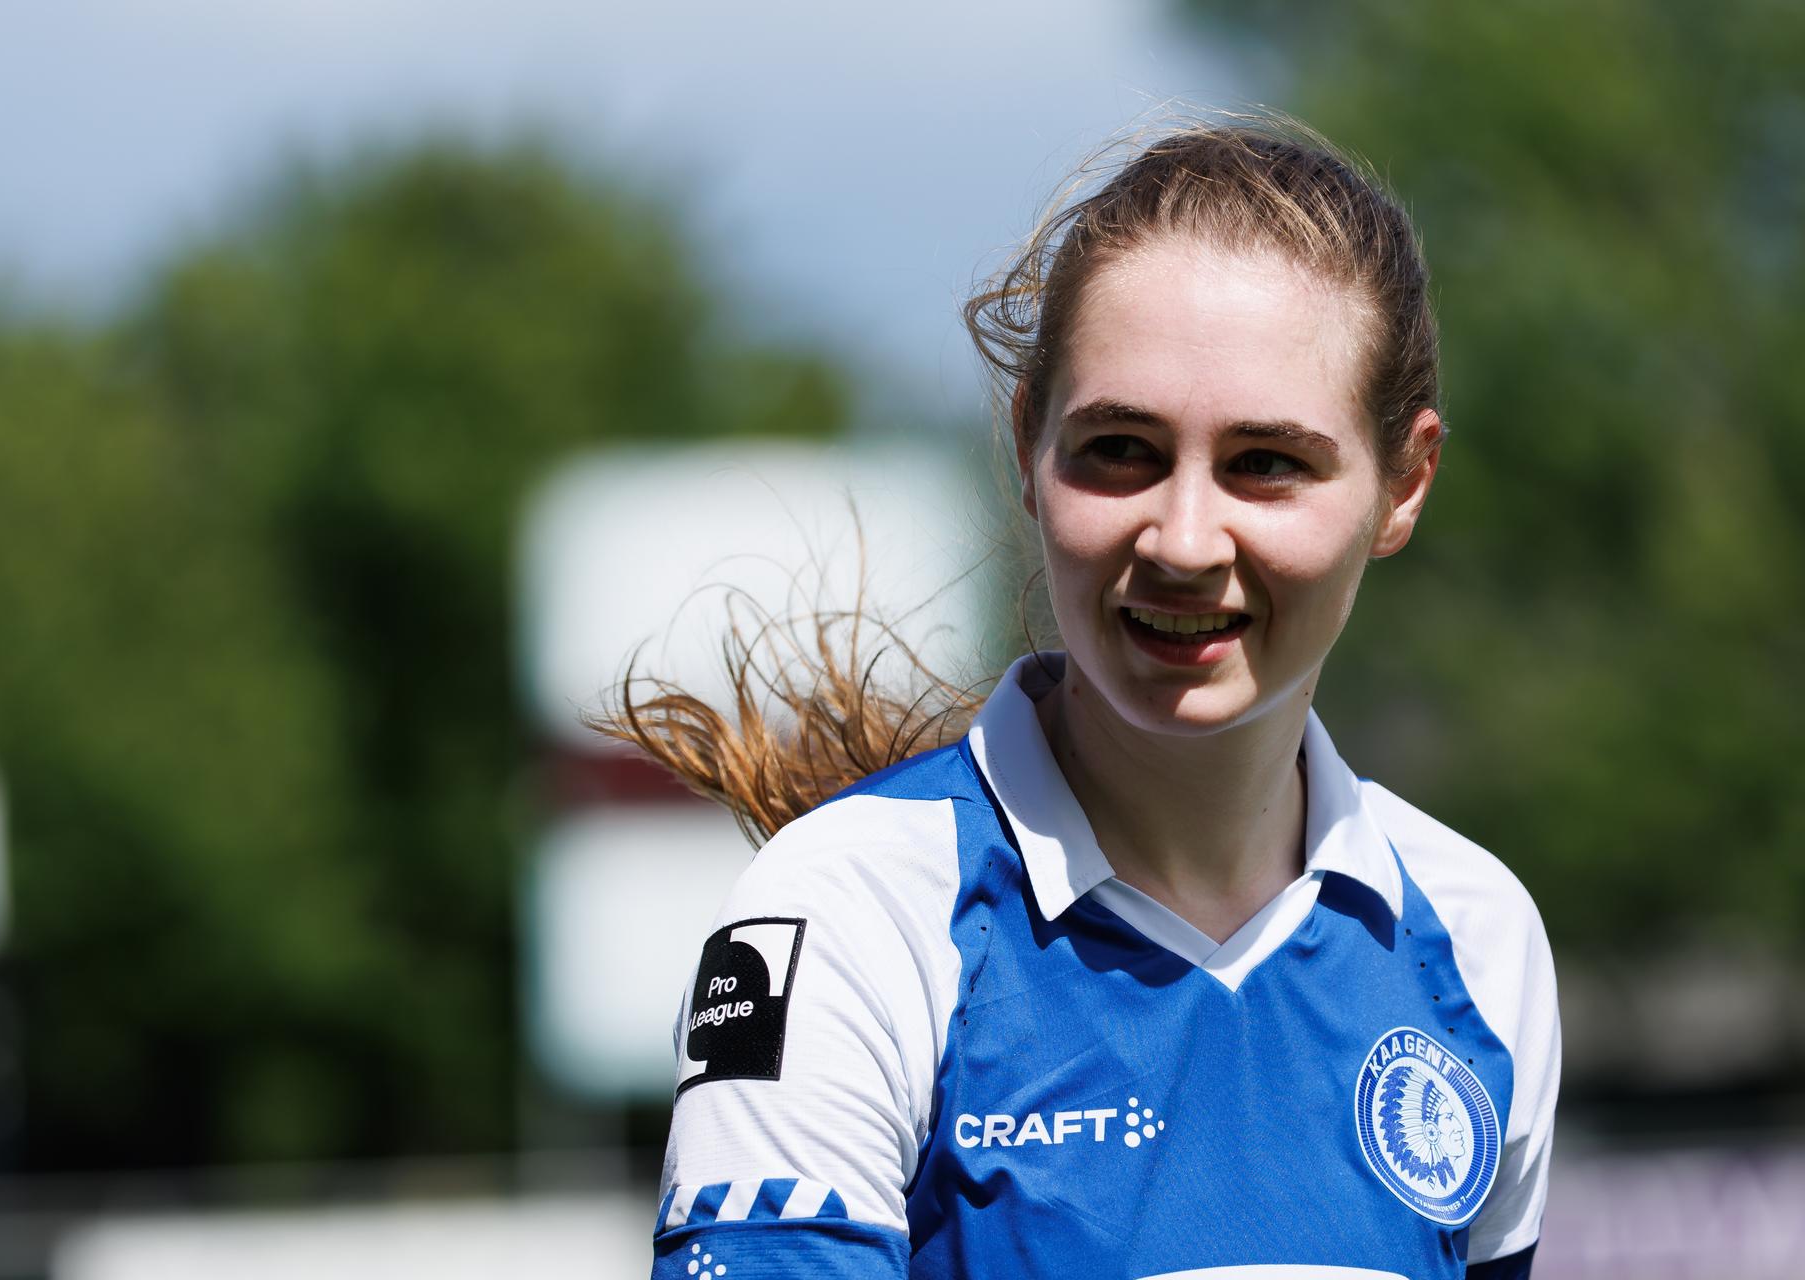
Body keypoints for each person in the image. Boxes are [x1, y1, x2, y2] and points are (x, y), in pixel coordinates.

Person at [590, 110, 1561, 1279]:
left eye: (1266, 462)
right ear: (1027, 445)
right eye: (1120, 449)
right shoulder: (847, 915)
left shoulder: (1479, 933)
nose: (1187, 538)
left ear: (1404, 484)